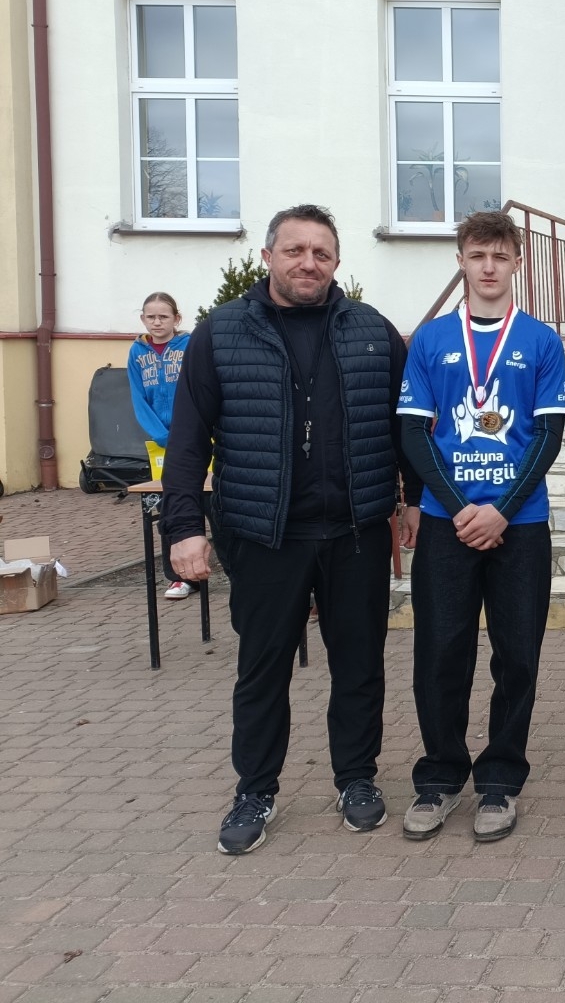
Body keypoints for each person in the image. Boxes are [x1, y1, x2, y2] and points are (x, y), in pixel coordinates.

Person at [164, 204, 419, 855]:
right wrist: (184, 526)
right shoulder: (221, 334)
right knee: (263, 667)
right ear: (267, 256)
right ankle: (256, 789)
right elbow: (188, 440)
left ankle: (355, 778)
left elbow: (407, 427)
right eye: (295, 250)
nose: (309, 263)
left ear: (336, 263)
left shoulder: (371, 332)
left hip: (356, 531)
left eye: (321, 253)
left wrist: (413, 499)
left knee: (359, 665)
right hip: (263, 534)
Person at [395, 209, 565, 842]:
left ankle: (500, 779)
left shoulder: (541, 342)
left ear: (517, 262)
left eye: (500, 256)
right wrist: (458, 505)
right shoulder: (432, 340)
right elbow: (414, 432)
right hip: (449, 522)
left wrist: (501, 509)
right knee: (440, 653)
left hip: (520, 524)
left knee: (517, 656)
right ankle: (440, 776)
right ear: (462, 262)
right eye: (477, 255)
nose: (489, 267)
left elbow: (548, 435)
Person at [127, 291, 193, 600]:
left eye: (163, 316)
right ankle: (179, 577)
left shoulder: (190, 346)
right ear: (143, 319)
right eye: (151, 317)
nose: (157, 322)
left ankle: (231, 569)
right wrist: (162, 435)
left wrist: (190, 431)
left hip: (194, 437)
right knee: (170, 507)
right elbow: (138, 398)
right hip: (162, 444)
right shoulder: (136, 352)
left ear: (176, 319)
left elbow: (200, 390)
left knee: (210, 504)